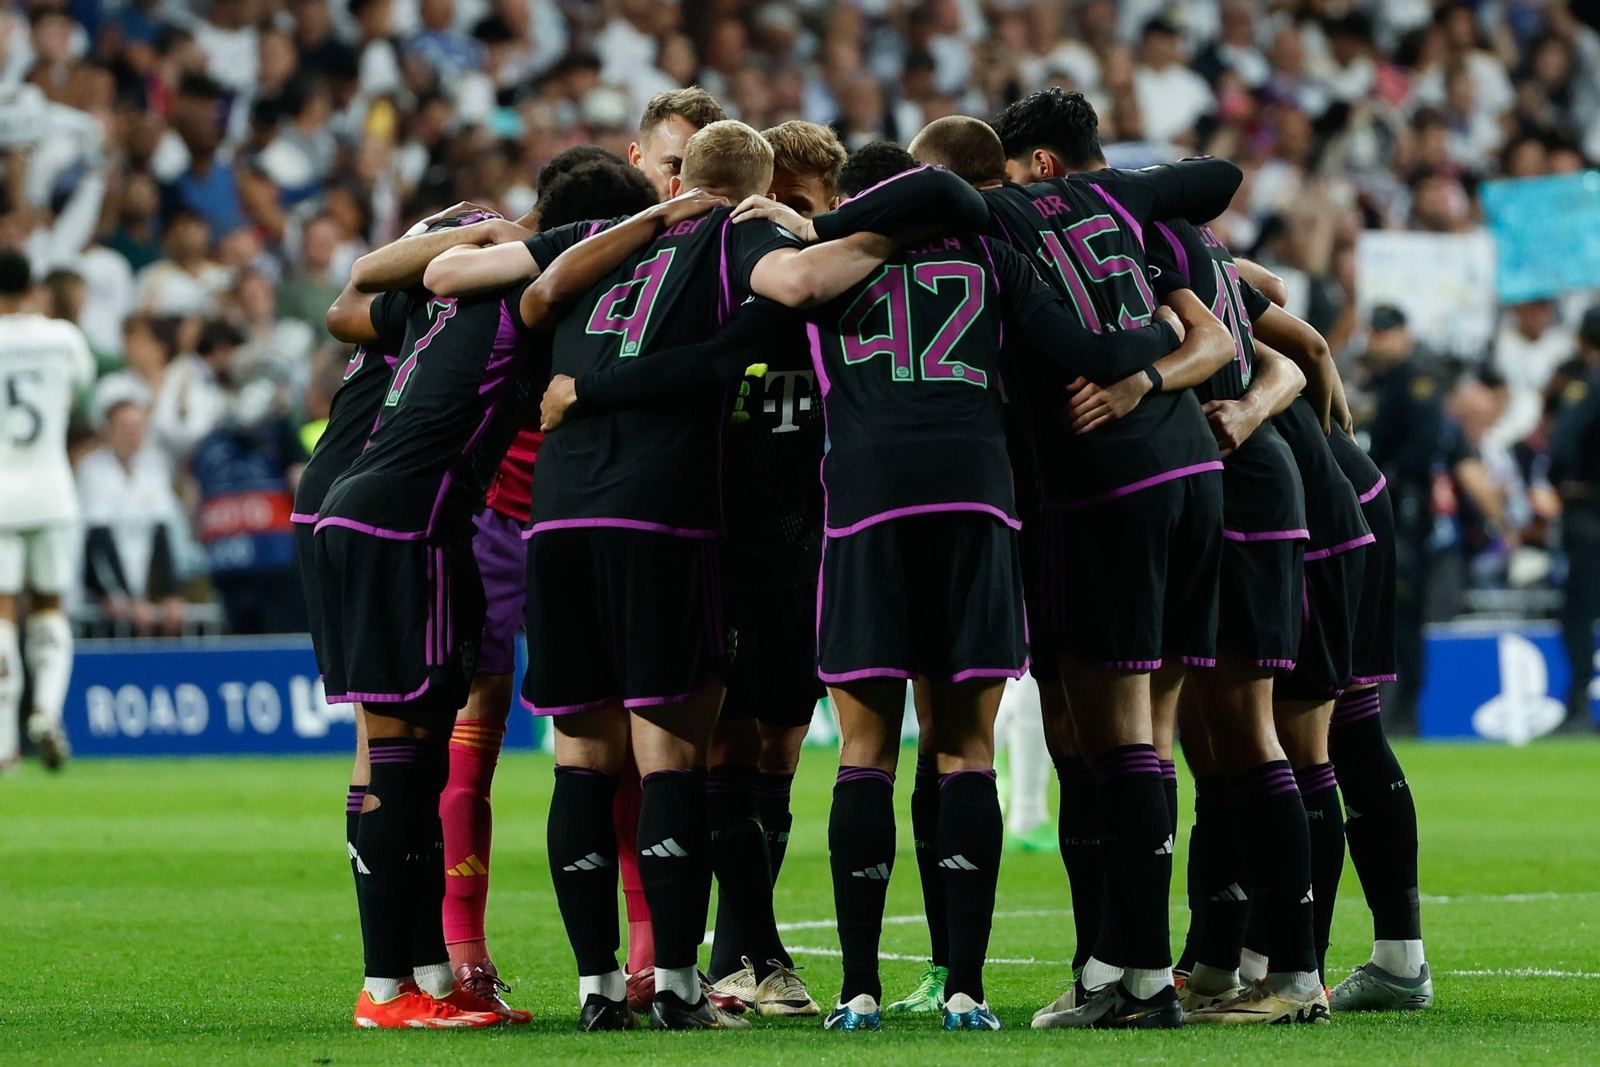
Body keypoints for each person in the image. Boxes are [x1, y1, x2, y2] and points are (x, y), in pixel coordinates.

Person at [544, 136, 1227, 1031]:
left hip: (864, 514)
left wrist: (588, 391)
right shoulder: (992, 255)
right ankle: (969, 990)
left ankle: (858, 990)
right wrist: (1152, 349)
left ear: (860, 202)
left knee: (865, 751)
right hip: (981, 509)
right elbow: (1080, 348)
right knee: (967, 747)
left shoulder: (820, 270)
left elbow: (719, 355)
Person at [424, 119, 890, 1032]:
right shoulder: (735, 235)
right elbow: (775, 306)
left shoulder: (599, 248)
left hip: (556, 521)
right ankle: (675, 983)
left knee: (580, 758)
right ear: (752, 187)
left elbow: (528, 301)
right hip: (662, 517)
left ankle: (599, 988)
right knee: (672, 752)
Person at [922, 95, 1238, 1028]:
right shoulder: (1120, 206)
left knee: (1116, 737)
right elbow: (1216, 189)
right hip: (1192, 472)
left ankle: (1142, 981)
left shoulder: (995, 220)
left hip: (1104, 486)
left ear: (1033, 169)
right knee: (1112, 731)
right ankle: (1105, 964)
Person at [1141, 218, 1332, 1026]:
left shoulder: (1143, 255)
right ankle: (1221, 961)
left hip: (1245, 497)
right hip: (1237, 496)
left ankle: (1292, 974)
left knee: (1252, 736)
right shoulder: (1199, 255)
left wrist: (1286, 426)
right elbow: (1295, 351)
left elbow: (1292, 351)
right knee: (1213, 744)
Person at [1242, 277, 1432, 1012]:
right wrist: (1331, 432)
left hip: (1317, 503)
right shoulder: (1185, 249)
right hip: (1347, 487)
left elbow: (1311, 344)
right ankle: (1393, 957)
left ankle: (1291, 967)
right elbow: (1297, 324)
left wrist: (1318, 445)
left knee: (1287, 736)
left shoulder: (1150, 258)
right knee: (1344, 730)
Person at [0, 249, 95, 773]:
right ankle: (46, 712)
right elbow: (80, 395)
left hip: (0, 495)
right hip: (53, 491)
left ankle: (3, 745)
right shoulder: (62, 339)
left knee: (3, 615)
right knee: (51, 606)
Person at [1550, 307, 1600, 734]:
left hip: (1589, 514)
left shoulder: (1588, 385)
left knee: (1579, 613)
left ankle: (1580, 707)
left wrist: (1562, 482)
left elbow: (1562, 442)